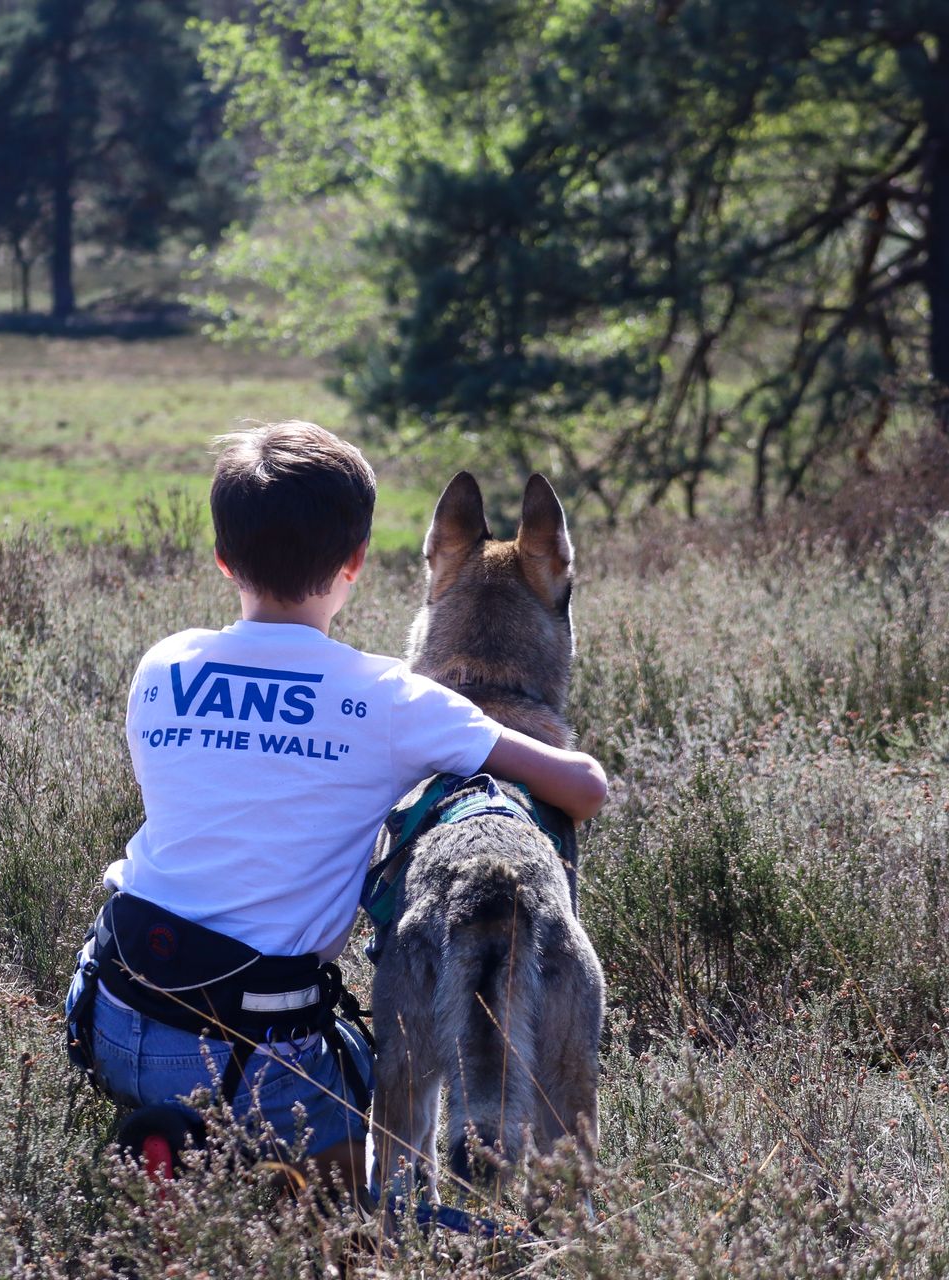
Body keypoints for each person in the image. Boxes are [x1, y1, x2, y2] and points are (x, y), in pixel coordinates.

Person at [62, 421, 609, 1198]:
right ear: (355, 563)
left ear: (223, 559)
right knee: (358, 1120)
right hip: (252, 1043)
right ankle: (264, 1184)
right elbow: (582, 786)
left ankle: (171, 1149)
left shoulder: (163, 662)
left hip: (111, 1011)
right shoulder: (391, 698)